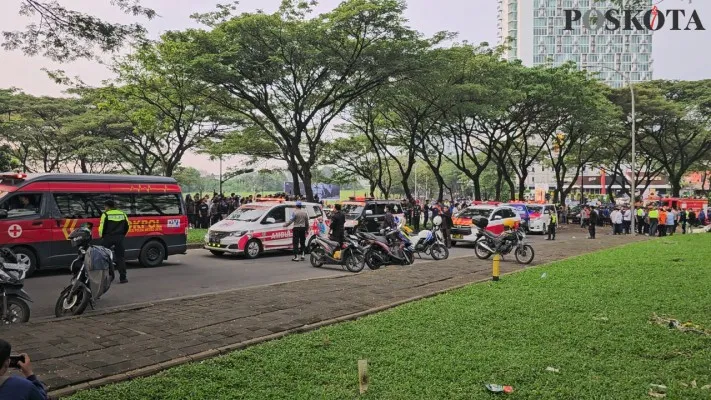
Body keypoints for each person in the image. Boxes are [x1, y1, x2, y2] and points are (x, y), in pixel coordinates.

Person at [99, 200, 130, 284]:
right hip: (119, 237)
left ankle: (105, 277)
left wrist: (102, 237)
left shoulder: (105, 214)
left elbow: (101, 228)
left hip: (108, 237)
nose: (104, 208)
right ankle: (123, 278)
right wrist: (123, 235)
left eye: (105, 206)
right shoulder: (122, 214)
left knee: (104, 256)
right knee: (120, 257)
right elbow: (127, 226)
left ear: (108, 207)